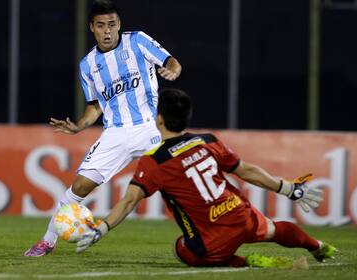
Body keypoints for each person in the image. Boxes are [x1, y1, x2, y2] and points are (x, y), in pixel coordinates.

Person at [75, 88, 338, 268]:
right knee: (273, 229)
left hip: (213, 240)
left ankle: (246, 263)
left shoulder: (155, 159)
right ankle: (318, 246)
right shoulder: (207, 141)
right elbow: (246, 171)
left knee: (181, 249)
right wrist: (289, 189)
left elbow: (130, 200)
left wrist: (102, 228)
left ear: (158, 119)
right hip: (240, 214)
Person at [24, 0, 182, 257]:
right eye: (101, 26)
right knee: (80, 187)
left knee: (184, 177)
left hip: (150, 129)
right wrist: (79, 126)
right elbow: (95, 106)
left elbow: (172, 61)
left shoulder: (138, 41)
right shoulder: (87, 65)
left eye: (111, 24)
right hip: (115, 133)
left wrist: (172, 71)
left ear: (119, 24)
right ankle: (47, 241)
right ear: (92, 28)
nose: (107, 31)